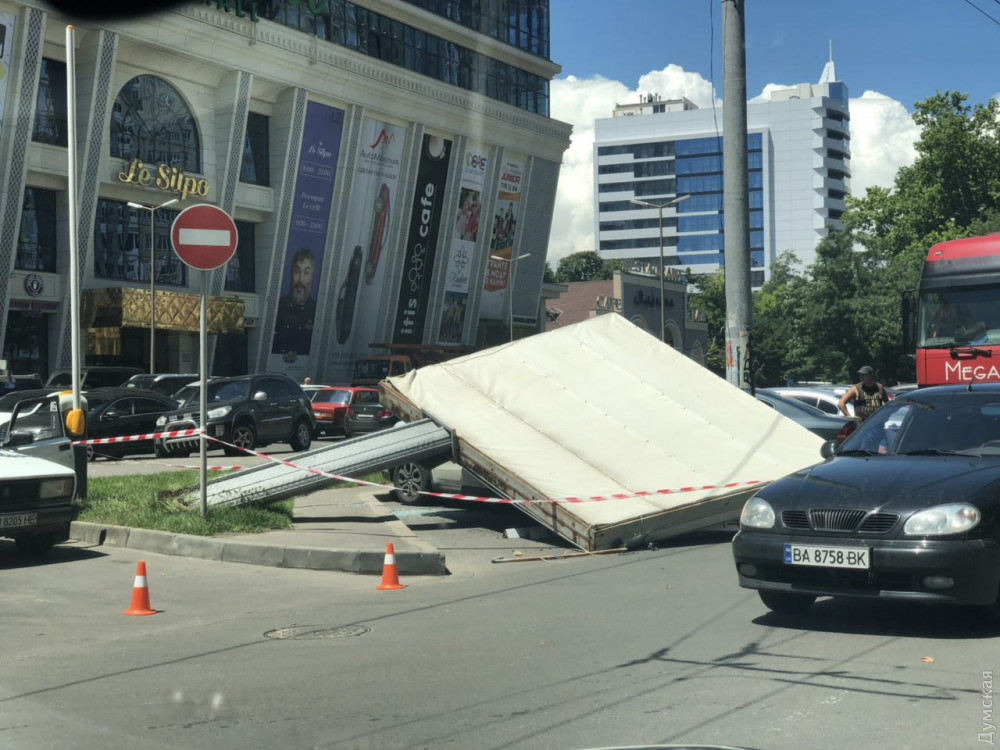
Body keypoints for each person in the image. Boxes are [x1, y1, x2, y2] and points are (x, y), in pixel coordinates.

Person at [272, 247, 317, 356]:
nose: (300, 279)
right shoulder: (278, 306)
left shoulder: (316, 311)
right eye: (297, 272)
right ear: (291, 274)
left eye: (306, 273)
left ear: (312, 277)